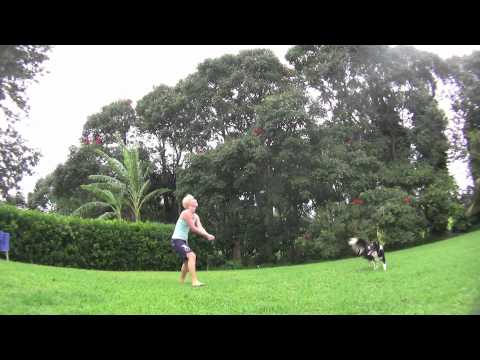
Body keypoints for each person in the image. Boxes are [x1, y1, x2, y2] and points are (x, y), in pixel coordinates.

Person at [171, 194, 215, 287]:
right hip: (177, 240)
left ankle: (181, 281)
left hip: (183, 241)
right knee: (192, 256)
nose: (195, 200)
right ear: (189, 203)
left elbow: (200, 227)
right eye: (193, 199)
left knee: (187, 261)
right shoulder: (186, 213)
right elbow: (193, 228)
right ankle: (194, 282)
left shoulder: (195, 216)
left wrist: (207, 235)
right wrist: (206, 235)